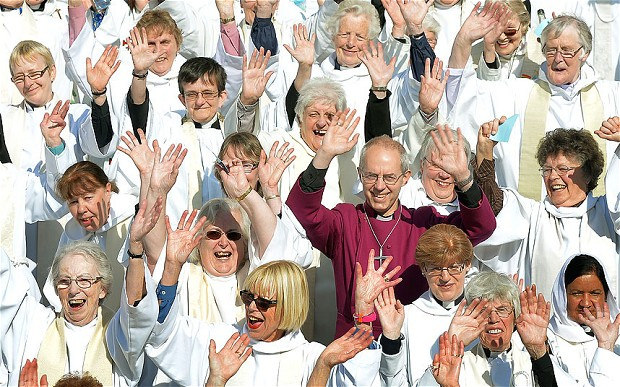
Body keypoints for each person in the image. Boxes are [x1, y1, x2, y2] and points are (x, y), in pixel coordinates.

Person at [286, 109, 496, 338]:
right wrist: (324, 155)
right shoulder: (345, 220)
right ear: (359, 174)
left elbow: (482, 227)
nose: (379, 186)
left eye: (389, 177)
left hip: (410, 342)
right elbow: (301, 211)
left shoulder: (424, 223)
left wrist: (464, 177)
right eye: (371, 176)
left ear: (405, 178)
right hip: (353, 341)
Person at [110, 215, 381, 386]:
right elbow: (162, 333)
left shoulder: (311, 357)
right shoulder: (223, 342)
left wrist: (364, 314)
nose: (251, 306)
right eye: (249, 297)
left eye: (264, 302)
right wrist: (172, 266)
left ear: (290, 307)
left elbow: (359, 379)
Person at [447, 12, 620, 199]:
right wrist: (463, 41)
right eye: (551, 50)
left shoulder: (612, 95)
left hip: (597, 221)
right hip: (532, 219)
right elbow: (463, 94)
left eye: (567, 50)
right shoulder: (516, 93)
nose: (558, 58)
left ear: (585, 53)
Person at [474, 124, 620, 301]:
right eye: (547, 170)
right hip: (544, 326)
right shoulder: (533, 215)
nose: (552, 176)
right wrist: (484, 151)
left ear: (588, 174)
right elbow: (490, 208)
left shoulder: (608, 213)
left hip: (606, 325)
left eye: (563, 169)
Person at [0, 241, 136, 386]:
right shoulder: (35, 323)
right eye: (64, 281)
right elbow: (4, 280)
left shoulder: (118, 333)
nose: (73, 290)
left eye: (84, 280)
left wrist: (136, 250)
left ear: (102, 289)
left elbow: (138, 311)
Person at [377, 224, 482, 385]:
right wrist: (391, 338)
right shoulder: (407, 317)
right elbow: (391, 382)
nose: (445, 277)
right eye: (436, 268)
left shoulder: (483, 312)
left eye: (454, 267)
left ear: (468, 265)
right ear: (423, 269)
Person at [419, 272, 558, 386]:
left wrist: (538, 350)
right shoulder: (459, 365)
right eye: (484, 311)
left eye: (502, 310)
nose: (493, 319)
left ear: (516, 316)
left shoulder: (534, 362)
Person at [41, 161, 138, 312]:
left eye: (88, 198)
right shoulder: (72, 234)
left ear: (107, 190)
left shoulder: (132, 222)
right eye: (73, 202)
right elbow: (56, 289)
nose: (81, 209)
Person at [547, 254, 620, 385]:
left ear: (606, 295)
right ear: (562, 295)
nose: (585, 303)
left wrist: (607, 345)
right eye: (577, 293)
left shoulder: (617, 338)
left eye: (594, 293)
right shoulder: (546, 340)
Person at [472, 0, 545, 81]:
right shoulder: (471, 55)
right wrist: (489, 52)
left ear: (523, 25)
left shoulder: (541, 50)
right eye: (493, 29)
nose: (501, 37)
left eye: (510, 31)